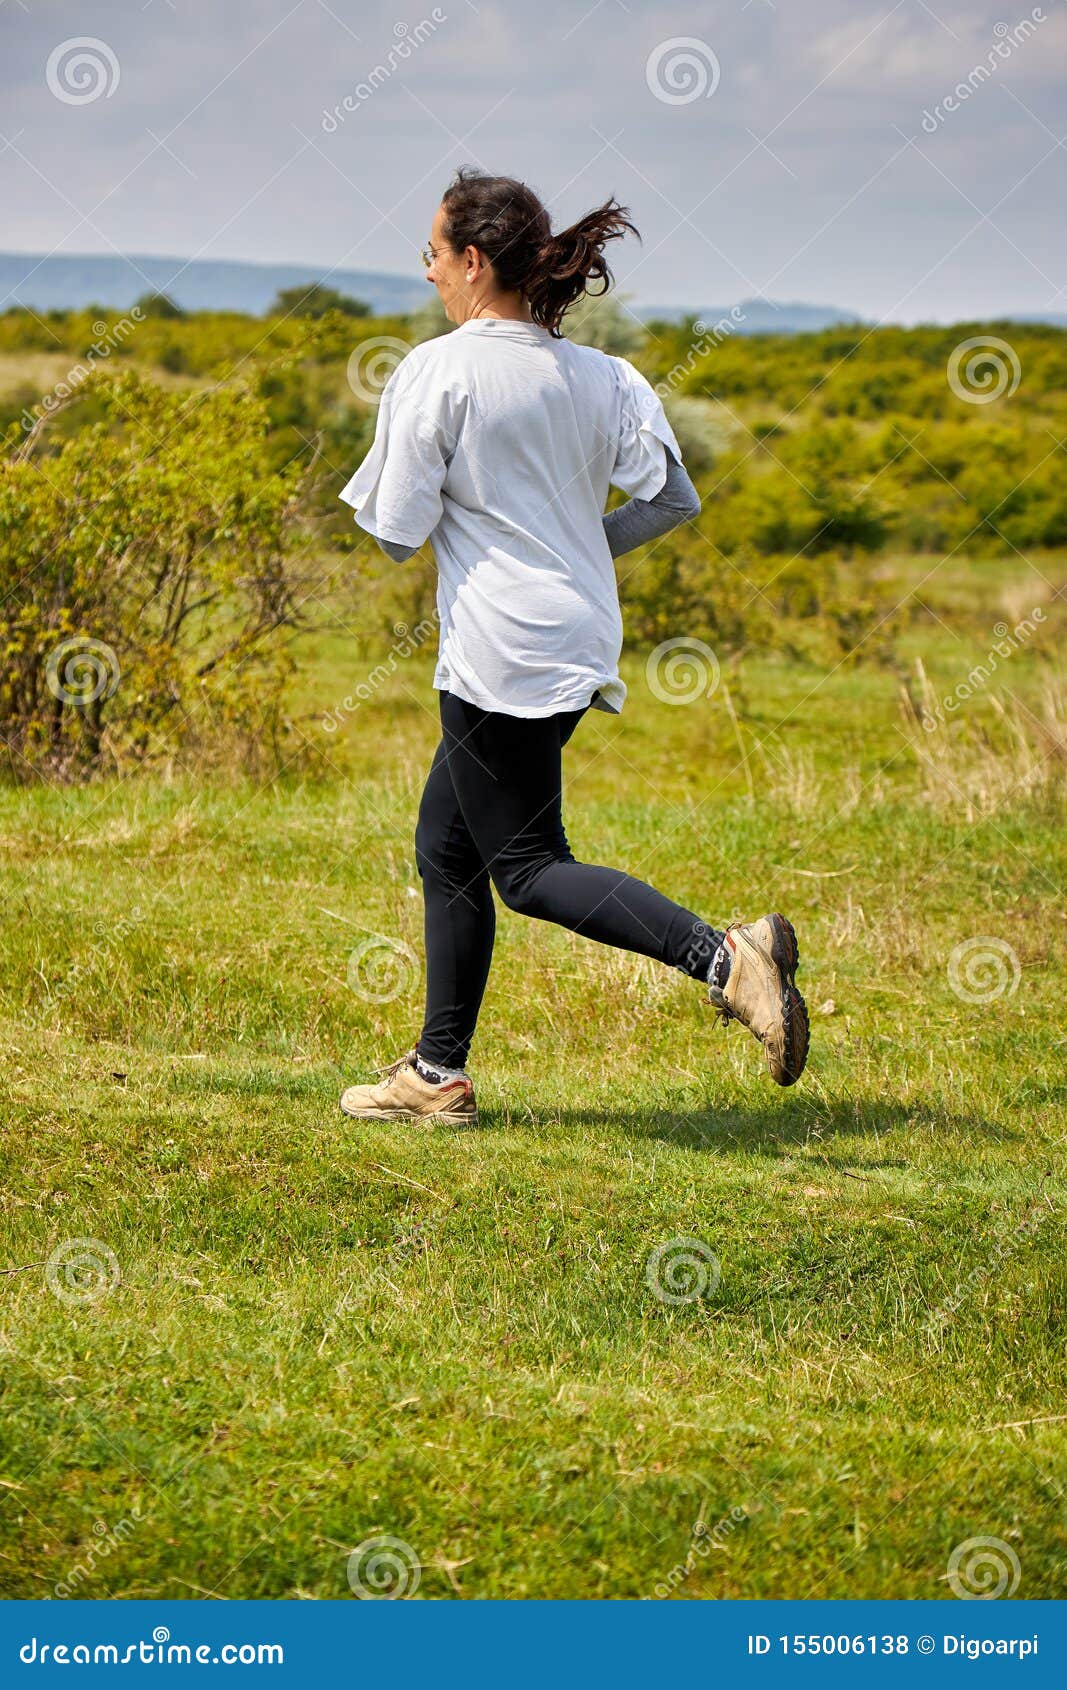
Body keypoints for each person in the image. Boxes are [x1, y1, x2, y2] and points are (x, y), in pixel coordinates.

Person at [337, 167, 808, 1126]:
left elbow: (392, 530)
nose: (426, 272)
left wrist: (467, 510)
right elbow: (675, 500)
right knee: (446, 845)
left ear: (472, 261)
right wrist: (570, 541)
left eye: (431, 253)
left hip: (498, 649)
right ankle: (436, 1075)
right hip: (576, 634)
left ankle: (726, 961)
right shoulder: (608, 376)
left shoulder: (437, 370)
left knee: (526, 867)